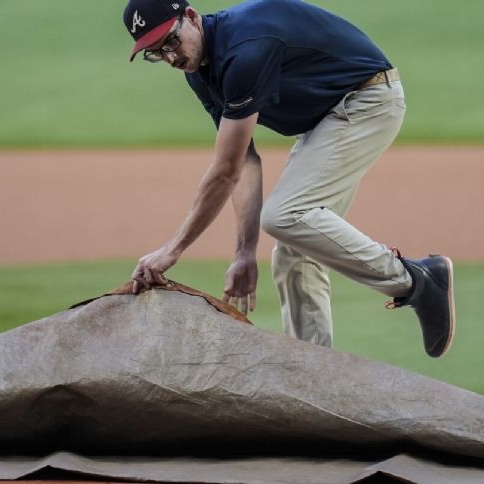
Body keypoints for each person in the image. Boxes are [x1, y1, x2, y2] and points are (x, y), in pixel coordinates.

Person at [123, 0, 455, 357]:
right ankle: (314, 377)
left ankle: (416, 280)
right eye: (156, 53)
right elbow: (245, 160)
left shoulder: (244, 50)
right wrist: (244, 252)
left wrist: (171, 251)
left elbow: (225, 171)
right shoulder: (199, 69)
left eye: (171, 41)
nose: (170, 57)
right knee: (293, 253)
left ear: (190, 17)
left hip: (367, 102)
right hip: (328, 119)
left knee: (285, 215)